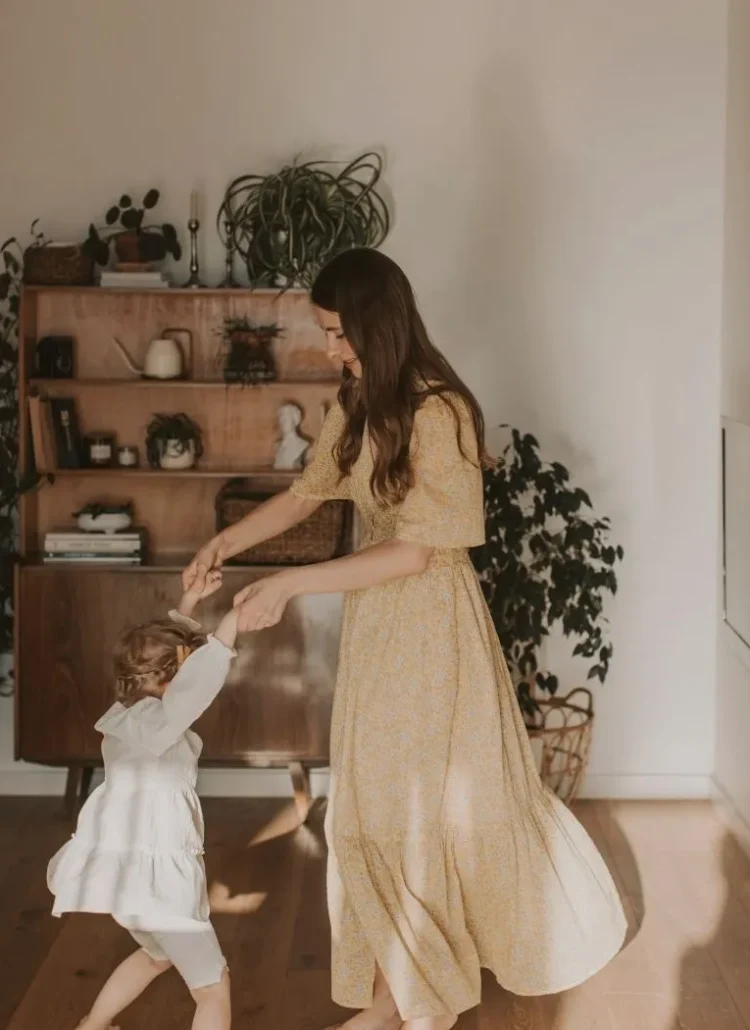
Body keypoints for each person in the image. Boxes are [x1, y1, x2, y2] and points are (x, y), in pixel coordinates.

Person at [183, 248, 627, 1030]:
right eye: (325, 333)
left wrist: (289, 584)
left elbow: (416, 553)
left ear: (376, 324)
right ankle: (411, 996)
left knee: (415, 815)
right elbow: (306, 495)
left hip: (430, 629)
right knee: (368, 814)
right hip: (378, 627)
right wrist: (223, 543)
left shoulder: (439, 412)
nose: (330, 349)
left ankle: (413, 1002)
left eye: (338, 333)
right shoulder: (360, 400)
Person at [47, 565, 239, 1030]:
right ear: (176, 681)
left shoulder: (124, 717)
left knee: (156, 955)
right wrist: (233, 621)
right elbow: (199, 679)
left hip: (128, 886)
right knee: (212, 987)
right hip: (161, 887)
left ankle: (92, 1026)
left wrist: (189, 603)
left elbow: (169, 660)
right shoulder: (164, 723)